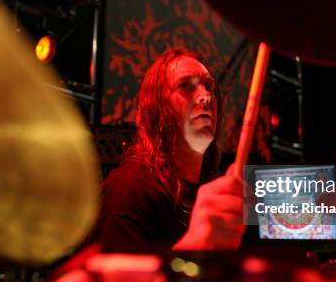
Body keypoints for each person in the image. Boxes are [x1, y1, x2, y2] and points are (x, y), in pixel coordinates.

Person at [86, 49, 245, 252]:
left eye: (208, 86)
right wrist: (195, 246)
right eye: (185, 86)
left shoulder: (213, 189)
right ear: (158, 108)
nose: (205, 96)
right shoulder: (129, 190)